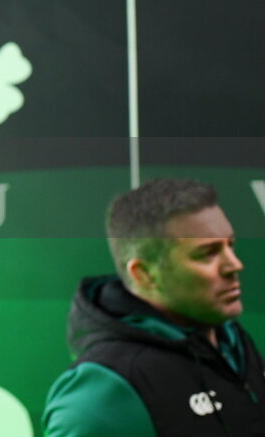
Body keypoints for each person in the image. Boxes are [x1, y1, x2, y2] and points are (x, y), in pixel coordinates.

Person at [43, 178, 265, 436]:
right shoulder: (101, 397)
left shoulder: (232, 341)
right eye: (208, 253)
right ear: (144, 274)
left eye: (230, 245)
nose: (234, 265)